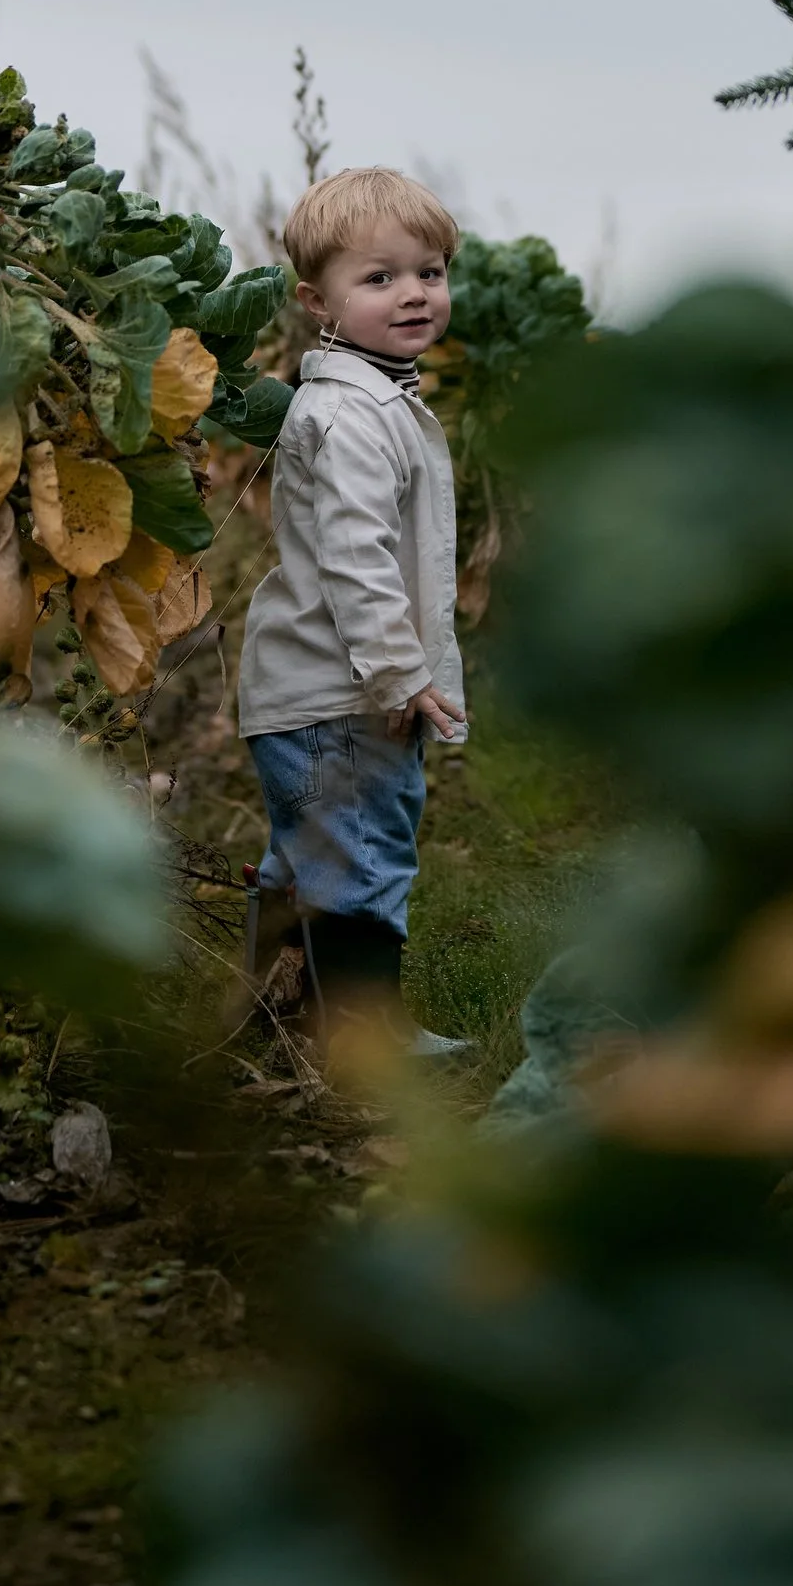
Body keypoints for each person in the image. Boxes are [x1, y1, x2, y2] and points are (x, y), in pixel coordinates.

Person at [239, 165, 470, 1045]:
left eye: (430, 272)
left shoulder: (380, 402)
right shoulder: (348, 418)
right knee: (362, 861)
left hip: (327, 689)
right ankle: (364, 1053)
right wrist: (400, 675)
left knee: (309, 859)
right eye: (379, 278)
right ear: (316, 300)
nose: (413, 294)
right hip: (341, 693)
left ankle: (264, 1017)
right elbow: (355, 560)